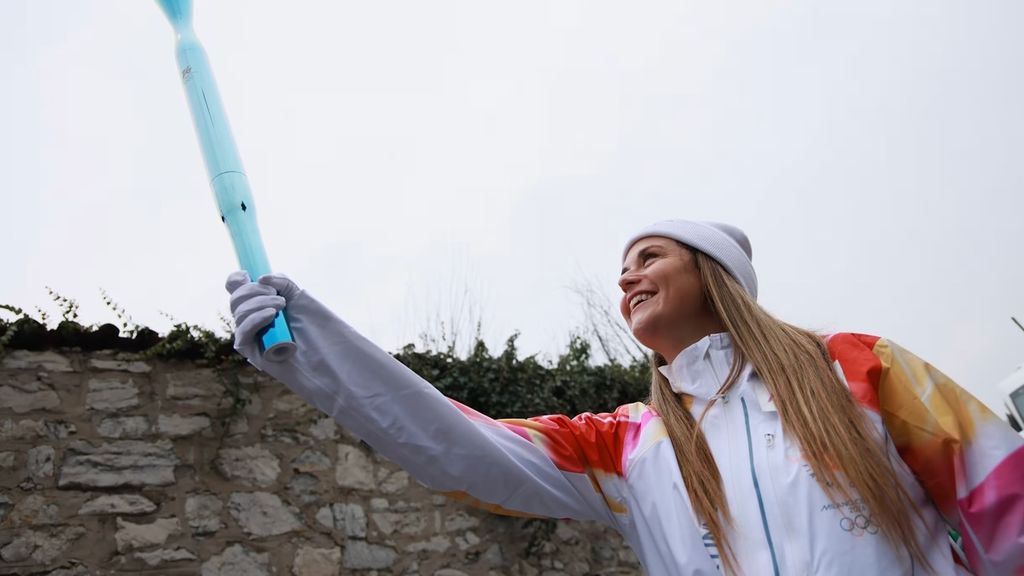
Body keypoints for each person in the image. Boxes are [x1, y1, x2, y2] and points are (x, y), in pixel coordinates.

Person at [226, 219, 1024, 575]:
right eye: (622, 268)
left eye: (649, 256)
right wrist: (314, 351)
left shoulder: (854, 369)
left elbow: (1005, 506)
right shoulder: (629, 444)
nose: (627, 278)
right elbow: (460, 448)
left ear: (714, 275)